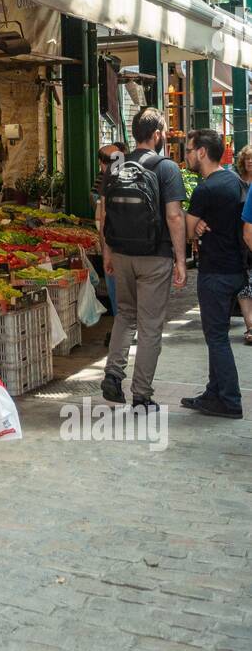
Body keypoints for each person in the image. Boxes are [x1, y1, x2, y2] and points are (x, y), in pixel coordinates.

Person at [101, 107, 187, 410]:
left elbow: (105, 214)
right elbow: (174, 216)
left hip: (121, 254)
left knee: (125, 315)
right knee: (150, 325)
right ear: (157, 134)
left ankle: (113, 375)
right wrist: (180, 260)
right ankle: (141, 394)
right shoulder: (166, 168)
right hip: (155, 256)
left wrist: (107, 253)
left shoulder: (116, 166)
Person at [182, 129, 246, 418]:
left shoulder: (205, 190)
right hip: (235, 268)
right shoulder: (234, 180)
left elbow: (187, 231)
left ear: (202, 152)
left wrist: (194, 225)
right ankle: (214, 392)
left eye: (189, 150)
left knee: (217, 337)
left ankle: (230, 400)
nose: (187, 156)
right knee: (216, 334)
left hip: (215, 272)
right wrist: (199, 224)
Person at [93, 141, 128, 336]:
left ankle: (121, 331)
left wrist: (104, 249)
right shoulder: (134, 176)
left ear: (103, 163)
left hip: (114, 245)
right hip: (134, 246)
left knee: (116, 290)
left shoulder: (108, 181)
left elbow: (103, 217)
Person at [234, 144, 252, 344]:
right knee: (244, 284)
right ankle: (250, 326)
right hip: (241, 237)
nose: (250, 162)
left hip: (247, 235)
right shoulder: (237, 183)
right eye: (247, 158)